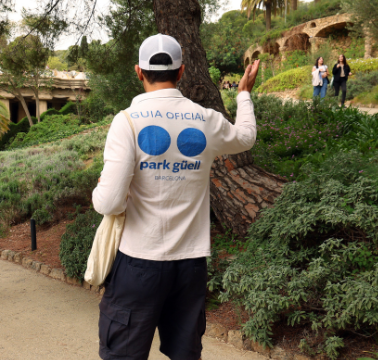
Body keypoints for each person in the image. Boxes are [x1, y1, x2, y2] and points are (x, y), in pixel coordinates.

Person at [90, 34, 259, 360]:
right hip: (190, 266)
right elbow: (246, 137)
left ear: (138, 72)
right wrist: (244, 95)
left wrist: (101, 190)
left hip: (138, 264)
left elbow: (109, 203)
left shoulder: (126, 122)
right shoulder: (207, 120)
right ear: (181, 72)